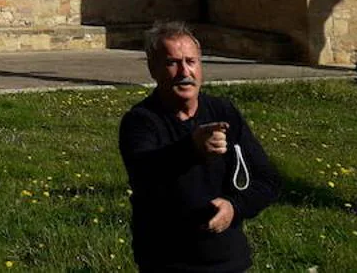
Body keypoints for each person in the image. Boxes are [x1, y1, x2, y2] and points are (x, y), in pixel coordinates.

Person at [118, 21, 280, 272]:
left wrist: (234, 208)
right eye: (172, 63)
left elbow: (267, 180)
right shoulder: (141, 121)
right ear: (153, 68)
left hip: (228, 261)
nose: (185, 71)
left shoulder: (223, 112)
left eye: (191, 62)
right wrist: (191, 148)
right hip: (167, 262)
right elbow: (144, 175)